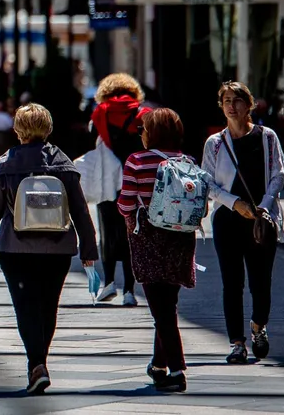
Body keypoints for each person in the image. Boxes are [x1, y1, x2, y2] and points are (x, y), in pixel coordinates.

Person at [0, 103, 97, 396]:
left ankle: (36, 365)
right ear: (48, 129)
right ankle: (40, 362)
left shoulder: (5, 165)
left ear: (17, 130)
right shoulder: (64, 164)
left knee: (25, 307)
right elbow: (80, 210)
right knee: (47, 306)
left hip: (15, 250)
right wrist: (89, 249)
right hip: (57, 249)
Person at [201, 81, 284, 364]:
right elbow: (208, 184)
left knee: (261, 281)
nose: (231, 105)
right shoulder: (215, 143)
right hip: (227, 220)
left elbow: (279, 173)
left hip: (261, 219)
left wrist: (264, 204)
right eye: (226, 100)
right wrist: (234, 203)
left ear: (249, 105)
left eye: (237, 100)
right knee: (232, 282)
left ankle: (258, 327)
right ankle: (237, 343)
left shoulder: (266, 137)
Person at [117, 109, 200, 392]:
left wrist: (131, 218)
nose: (141, 132)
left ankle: (176, 370)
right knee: (167, 305)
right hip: (180, 239)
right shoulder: (188, 162)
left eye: (143, 128)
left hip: (149, 237)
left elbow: (125, 203)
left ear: (151, 132)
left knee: (161, 309)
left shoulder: (136, 161)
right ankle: (158, 364)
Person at [87, 73, 150, 306]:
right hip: (134, 181)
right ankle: (130, 291)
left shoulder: (99, 114)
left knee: (107, 233)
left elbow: (91, 142)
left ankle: (109, 283)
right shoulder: (142, 115)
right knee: (132, 234)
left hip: (107, 181)